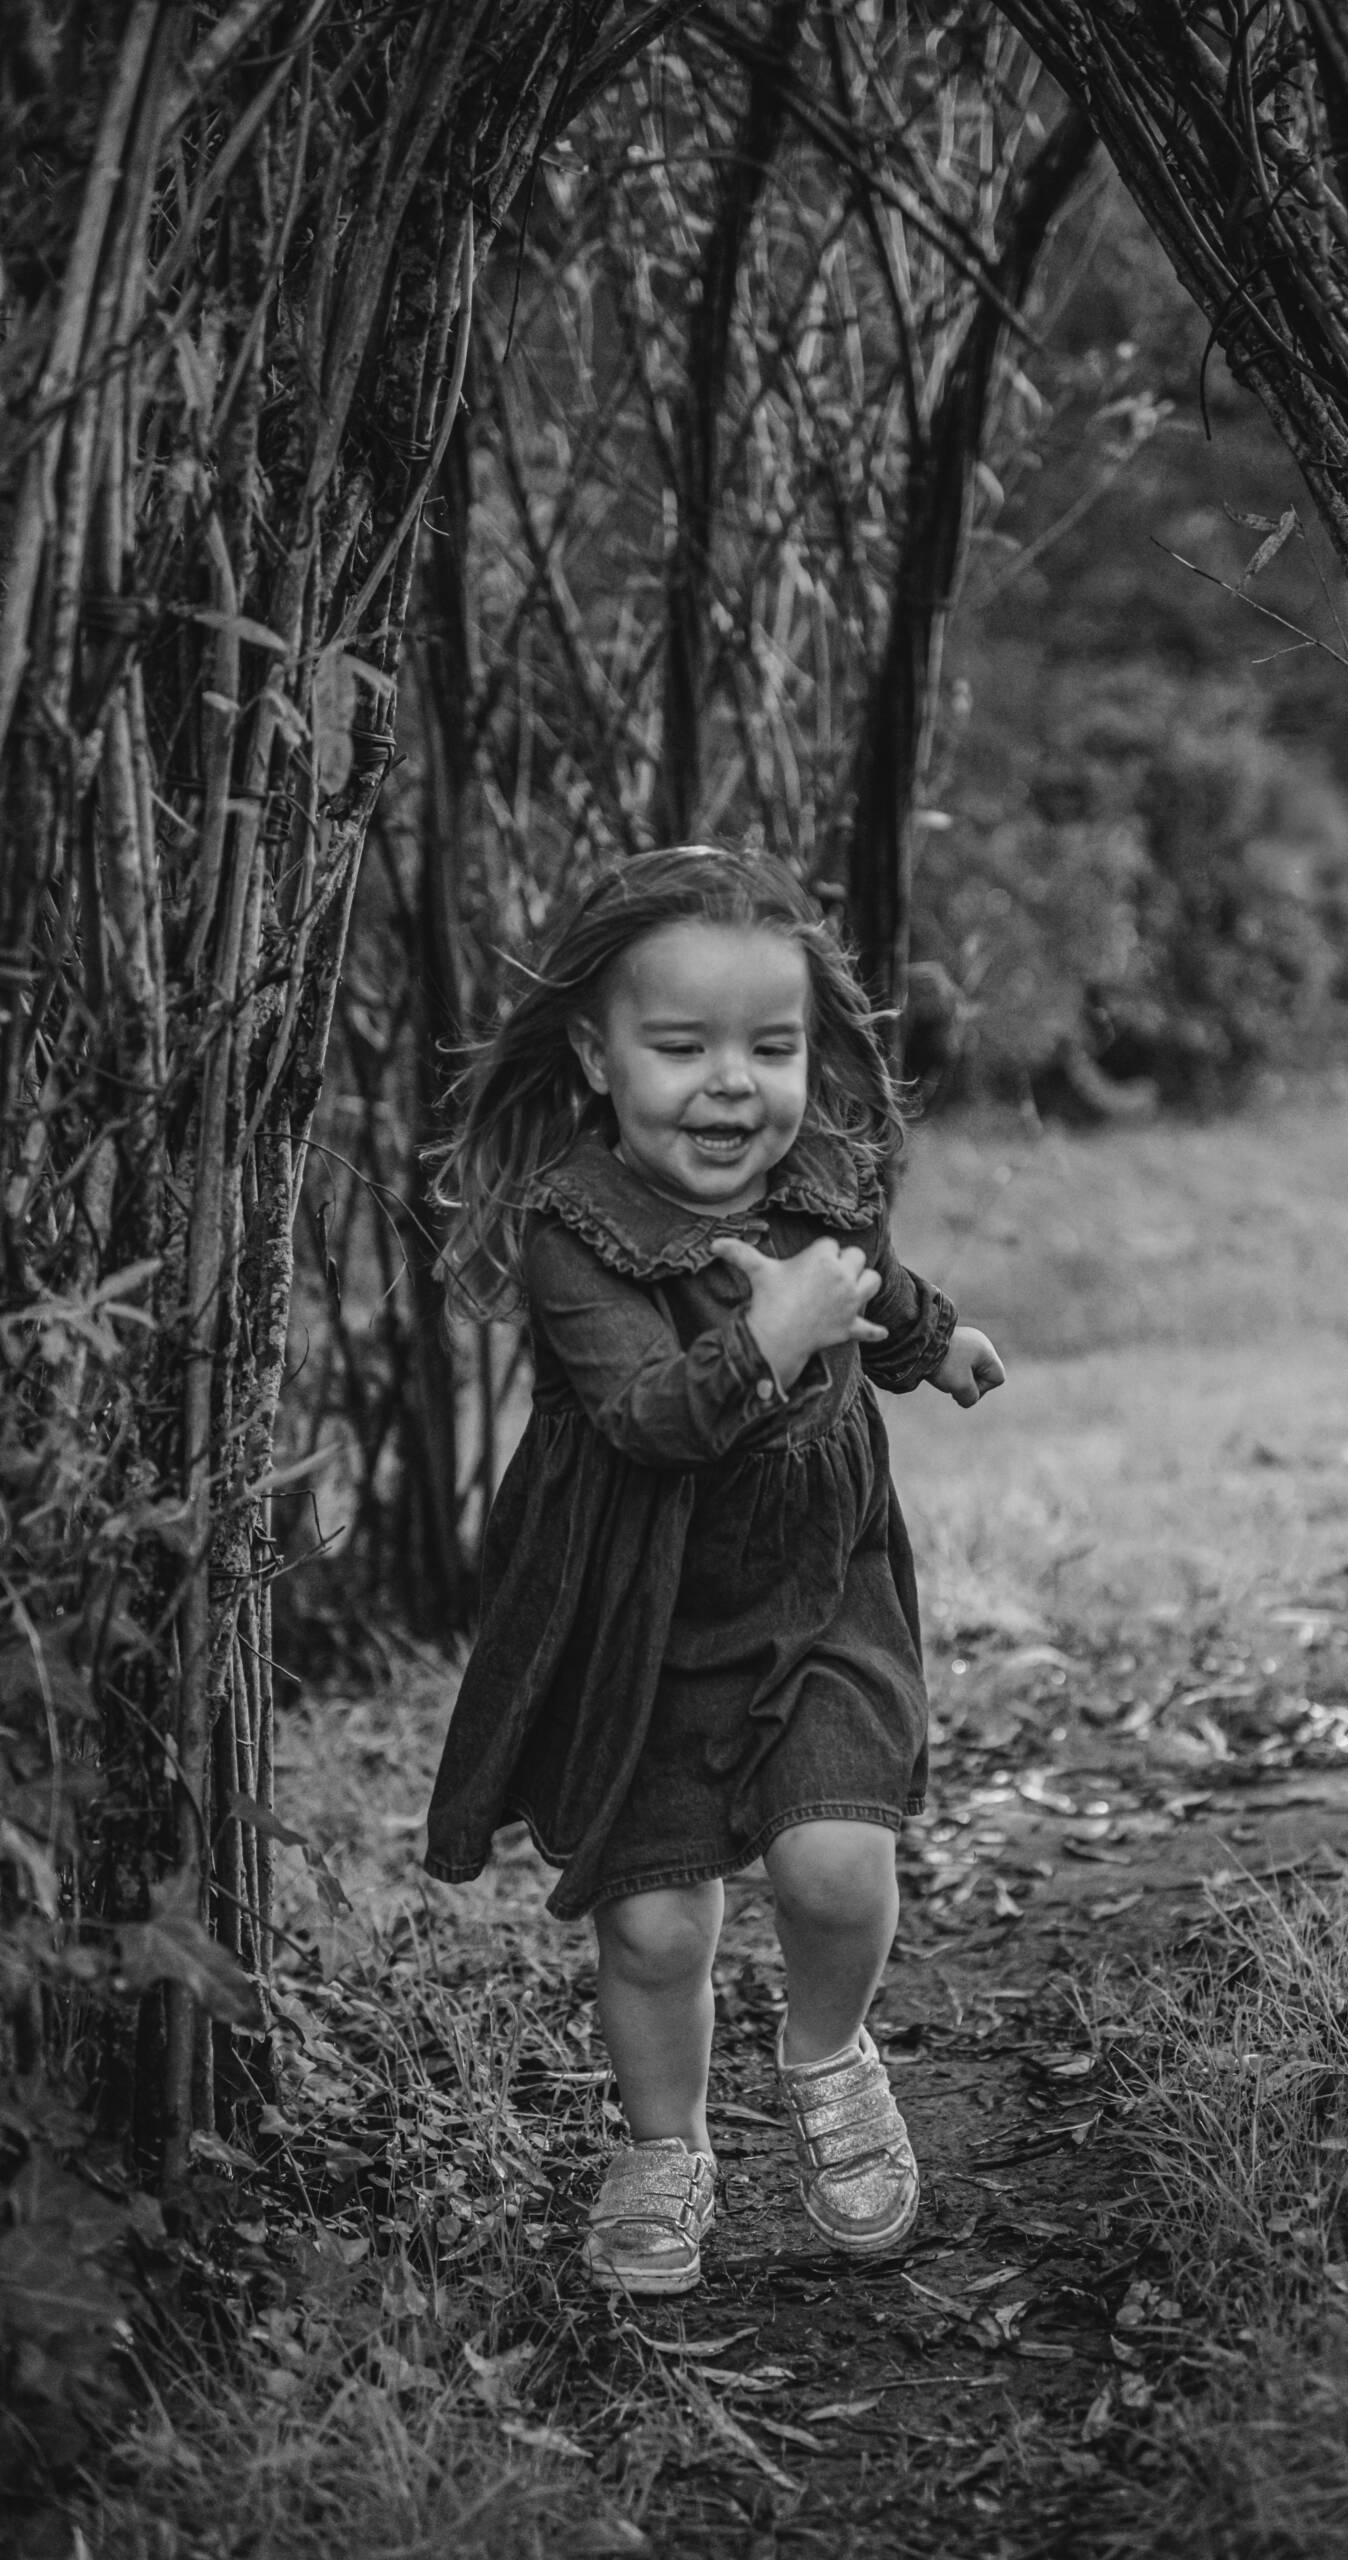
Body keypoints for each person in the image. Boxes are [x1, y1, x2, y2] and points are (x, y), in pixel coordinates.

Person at [424, 845, 1004, 2297]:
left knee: (834, 1859)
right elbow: (645, 1421)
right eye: (681, 1049)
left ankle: (829, 2055)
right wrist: (775, 1333)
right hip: (638, 1615)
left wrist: (936, 1346)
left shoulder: (815, 1181)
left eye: (771, 1046)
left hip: (820, 1591)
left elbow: (871, 1275)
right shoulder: (576, 1234)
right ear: (595, 1052)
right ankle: (665, 2145)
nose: (731, 1085)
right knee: (656, 1919)